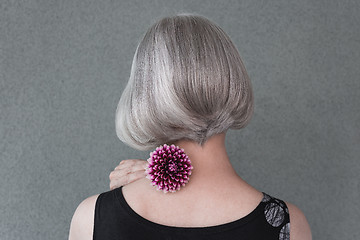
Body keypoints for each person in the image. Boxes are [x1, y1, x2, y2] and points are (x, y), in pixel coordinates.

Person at [68, 14, 312, 240]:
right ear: (230, 83)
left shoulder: (91, 218)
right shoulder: (290, 224)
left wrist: (158, 174)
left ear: (144, 94)